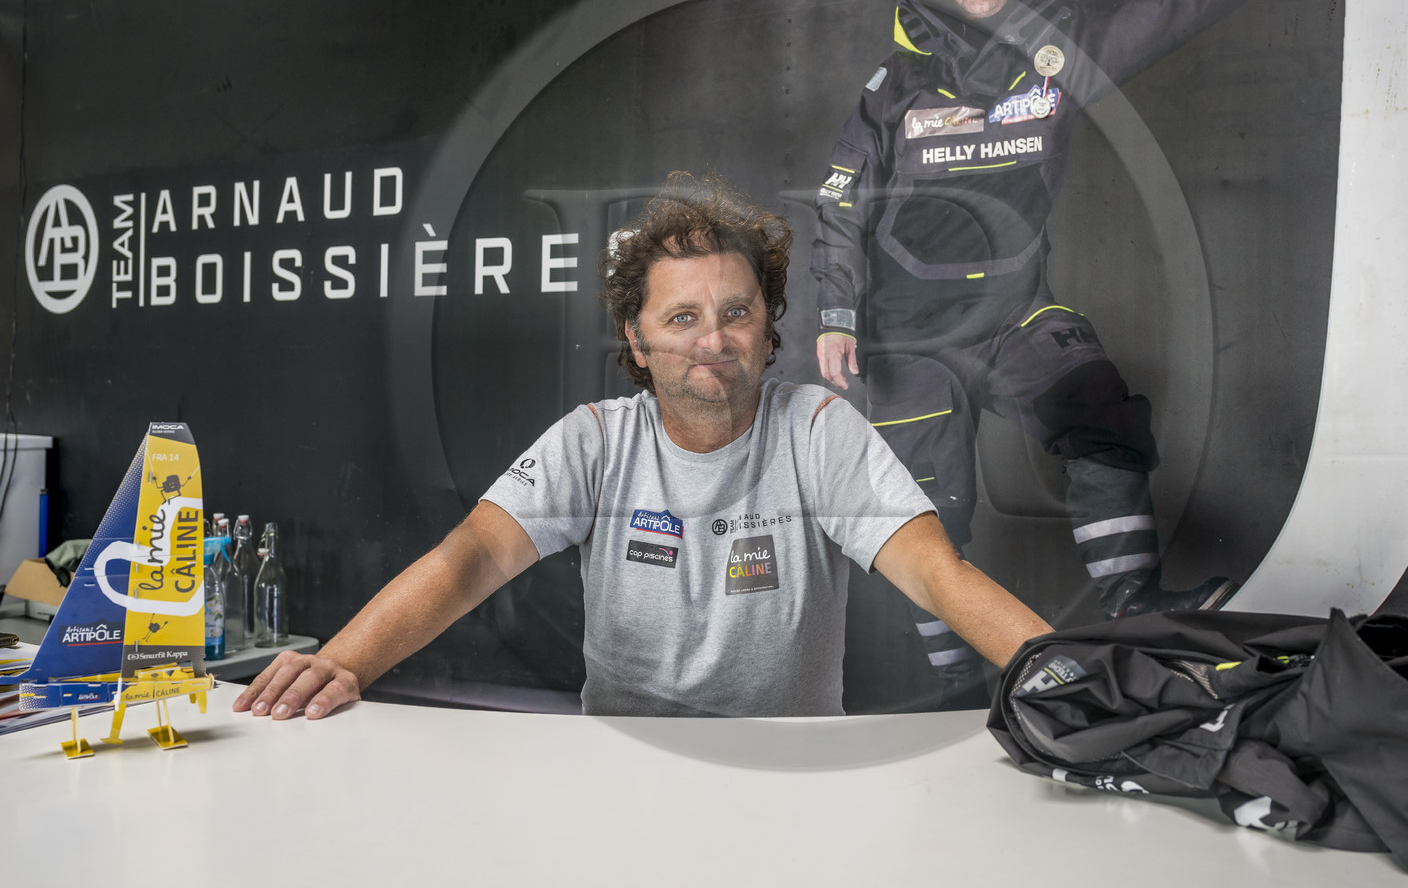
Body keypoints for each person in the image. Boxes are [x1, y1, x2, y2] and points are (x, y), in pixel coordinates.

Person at [811, 0, 1401, 703]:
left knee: (1098, 405)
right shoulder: (895, 83)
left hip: (1015, 317)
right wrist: (834, 312)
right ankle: (956, 688)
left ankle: (1135, 616)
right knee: (925, 519)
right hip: (907, 339)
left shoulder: (1064, 45)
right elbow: (837, 201)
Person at [236, 177, 1052, 720]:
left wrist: (1072, 682)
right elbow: (472, 557)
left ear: (769, 325)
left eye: (737, 312)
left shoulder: (816, 428)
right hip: (622, 777)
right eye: (683, 318)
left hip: (793, 787)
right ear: (636, 336)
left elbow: (940, 575)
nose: (715, 341)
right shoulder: (597, 439)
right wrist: (344, 661)